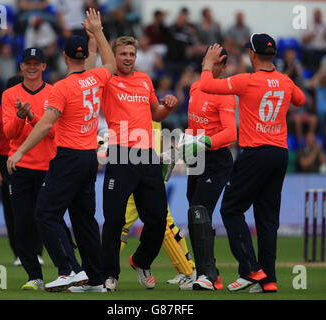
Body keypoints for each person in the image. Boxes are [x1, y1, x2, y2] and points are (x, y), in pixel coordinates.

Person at [7, 8, 116, 293]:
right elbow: (111, 64)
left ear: (65, 57)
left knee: (44, 213)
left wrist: (18, 153)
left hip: (67, 157)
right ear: (82, 57)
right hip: (89, 158)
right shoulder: (97, 79)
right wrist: (99, 33)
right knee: (84, 220)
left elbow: (44, 126)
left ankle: (69, 270)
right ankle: (95, 279)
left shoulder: (62, 88)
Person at [199, 34, 306, 293]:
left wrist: (207, 64)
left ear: (253, 54)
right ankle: (269, 280)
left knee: (231, 209)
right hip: (280, 154)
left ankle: (250, 268)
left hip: (255, 153)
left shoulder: (246, 81)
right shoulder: (285, 81)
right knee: (267, 218)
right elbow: (301, 101)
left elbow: (206, 86)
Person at [100, 35, 178, 290]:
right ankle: (110, 274)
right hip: (120, 155)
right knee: (114, 220)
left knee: (157, 220)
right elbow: (103, 57)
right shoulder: (107, 79)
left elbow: (155, 112)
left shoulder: (144, 80)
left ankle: (142, 260)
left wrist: (167, 107)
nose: (128, 58)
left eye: (131, 54)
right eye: (123, 54)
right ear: (114, 56)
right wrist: (97, 32)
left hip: (147, 156)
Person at [178, 48, 237, 291]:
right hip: (197, 159)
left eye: (214, 62)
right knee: (196, 213)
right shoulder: (194, 88)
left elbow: (231, 133)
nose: (209, 65)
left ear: (222, 66)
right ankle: (207, 272)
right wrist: (186, 148)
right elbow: (194, 125)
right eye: (207, 60)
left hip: (217, 160)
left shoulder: (225, 94)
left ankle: (208, 276)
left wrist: (206, 142)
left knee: (199, 210)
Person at [117, 121, 196, 289]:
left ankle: (105, 273)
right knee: (163, 222)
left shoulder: (145, 112)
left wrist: (162, 160)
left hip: (145, 172)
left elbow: (154, 144)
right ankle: (188, 270)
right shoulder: (150, 113)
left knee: (128, 224)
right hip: (144, 171)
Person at [2, 47, 54, 290]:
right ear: (21, 66)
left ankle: (66, 270)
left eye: (37, 63)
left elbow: (53, 132)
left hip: (47, 167)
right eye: (27, 63)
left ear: (44, 66)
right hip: (19, 167)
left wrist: (32, 116)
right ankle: (34, 276)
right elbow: (9, 133)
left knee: (48, 222)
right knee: (22, 224)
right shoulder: (10, 94)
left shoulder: (54, 93)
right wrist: (21, 117)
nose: (32, 67)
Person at [0, 75, 44, 265]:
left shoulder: (34, 110)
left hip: (30, 158)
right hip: (6, 161)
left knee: (36, 208)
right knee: (12, 211)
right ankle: (19, 253)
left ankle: (37, 252)